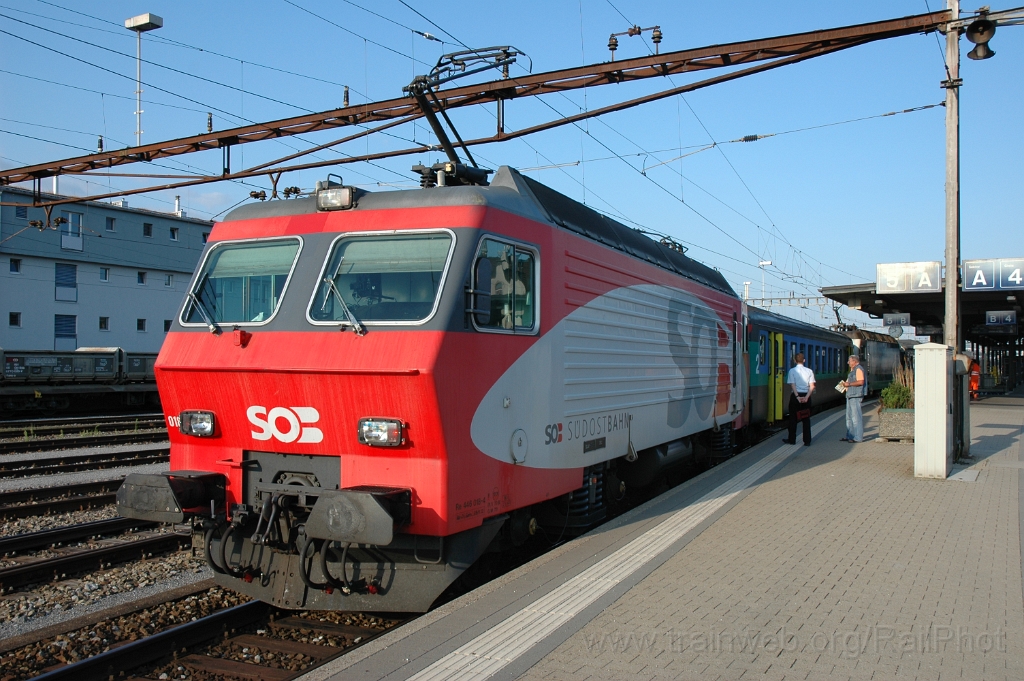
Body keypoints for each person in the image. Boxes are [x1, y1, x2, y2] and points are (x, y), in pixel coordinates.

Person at [783, 352, 815, 446]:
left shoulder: (792, 371)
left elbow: (792, 385)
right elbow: (812, 386)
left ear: (795, 361)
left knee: (793, 418)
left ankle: (792, 440)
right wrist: (806, 397)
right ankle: (807, 441)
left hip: (795, 397)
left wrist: (797, 397)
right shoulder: (809, 371)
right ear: (804, 360)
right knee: (806, 419)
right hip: (806, 396)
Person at [841, 354, 866, 442]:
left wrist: (849, 384)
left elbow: (861, 382)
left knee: (856, 418)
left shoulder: (858, 369)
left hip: (855, 395)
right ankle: (850, 436)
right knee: (849, 417)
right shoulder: (852, 370)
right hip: (850, 395)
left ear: (854, 361)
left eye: (849, 361)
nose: (848, 363)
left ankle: (858, 437)